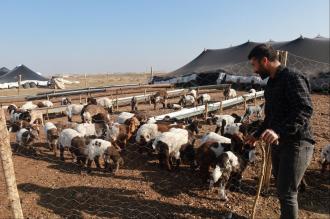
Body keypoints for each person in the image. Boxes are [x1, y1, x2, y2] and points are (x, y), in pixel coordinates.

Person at [245, 44, 315, 219]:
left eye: (254, 65)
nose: (254, 70)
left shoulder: (292, 78)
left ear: (265, 61)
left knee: (287, 193)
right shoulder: (271, 83)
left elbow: (304, 109)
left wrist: (280, 132)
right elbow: (270, 117)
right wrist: (256, 134)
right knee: (283, 191)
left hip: (297, 143)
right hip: (279, 143)